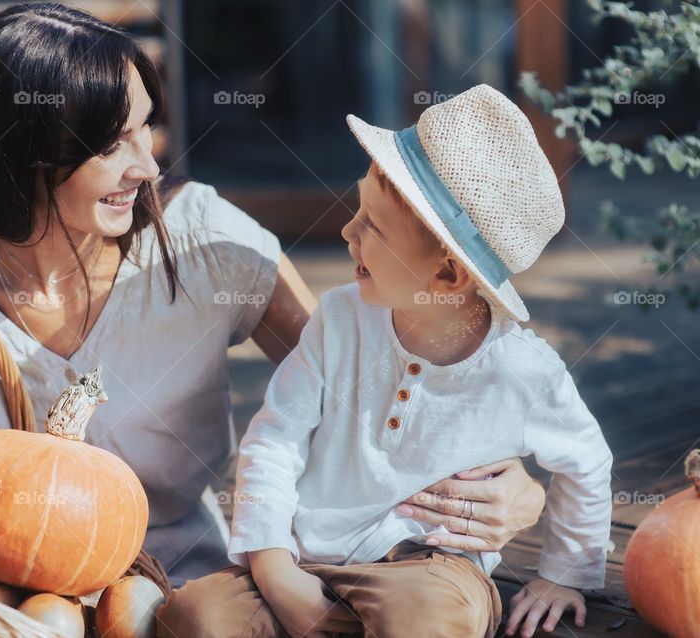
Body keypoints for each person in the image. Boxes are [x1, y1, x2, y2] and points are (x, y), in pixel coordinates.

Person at [0, 6, 546, 589]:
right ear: (18, 149)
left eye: (146, 130)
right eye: (112, 144)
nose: (146, 164)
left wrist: (515, 483)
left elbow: (365, 392)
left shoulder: (207, 242)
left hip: (188, 591)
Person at [156, 85, 613, 638]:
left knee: (423, 623)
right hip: (306, 555)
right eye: (358, 211)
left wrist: (565, 574)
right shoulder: (340, 318)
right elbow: (275, 436)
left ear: (447, 275)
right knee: (194, 616)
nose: (348, 231)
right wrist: (272, 563)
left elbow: (586, 461)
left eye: (373, 225)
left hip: (429, 565)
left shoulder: (523, 370)